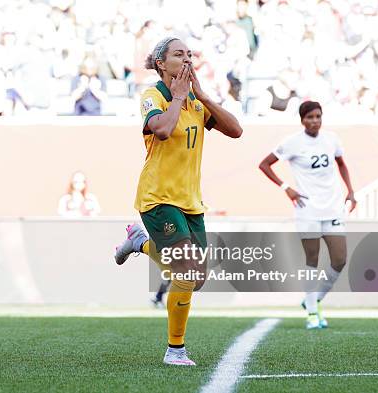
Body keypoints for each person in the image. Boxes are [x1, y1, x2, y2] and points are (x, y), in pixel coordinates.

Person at [114, 37, 242, 366]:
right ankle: (175, 350)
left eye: (189, 54)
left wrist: (203, 97)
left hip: (190, 202)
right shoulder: (153, 95)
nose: (186, 58)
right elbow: (161, 130)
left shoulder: (197, 103)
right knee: (186, 269)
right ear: (161, 63)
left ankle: (139, 242)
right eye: (178, 54)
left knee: (196, 278)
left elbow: (236, 130)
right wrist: (179, 98)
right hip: (158, 198)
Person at [258, 100, 356, 330]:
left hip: (332, 208)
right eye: (310, 117)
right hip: (308, 210)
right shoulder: (292, 143)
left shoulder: (332, 139)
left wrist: (351, 191)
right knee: (312, 260)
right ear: (302, 120)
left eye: (318, 116)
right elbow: (264, 164)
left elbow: (342, 164)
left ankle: (313, 299)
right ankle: (312, 313)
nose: (314, 121)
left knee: (339, 260)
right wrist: (286, 188)